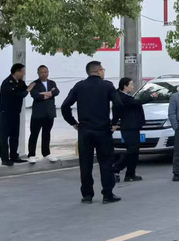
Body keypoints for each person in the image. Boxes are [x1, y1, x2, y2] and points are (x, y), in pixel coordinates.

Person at [61, 61, 122, 204]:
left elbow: (65, 106)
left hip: (85, 131)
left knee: (85, 163)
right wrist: (114, 123)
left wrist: (73, 122)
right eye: (103, 69)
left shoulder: (79, 86)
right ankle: (107, 194)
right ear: (99, 70)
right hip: (103, 130)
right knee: (106, 162)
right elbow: (118, 104)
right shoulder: (107, 86)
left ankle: (87, 195)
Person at [111, 77, 150, 183]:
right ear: (125, 86)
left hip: (134, 126)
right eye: (131, 84)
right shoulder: (121, 97)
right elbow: (136, 103)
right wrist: (114, 123)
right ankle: (116, 168)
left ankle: (130, 173)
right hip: (128, 127)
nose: (133, 86)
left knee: (135, 151)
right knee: (132, 150)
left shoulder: (126, 96)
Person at [0, 63, 35, 165]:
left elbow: (26, 88)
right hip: (6, 113)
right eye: (22, 72)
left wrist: (32, 87)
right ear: (17, 72)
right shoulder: (7, 83)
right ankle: (5, 158)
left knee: (15, 135)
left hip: (15, 113)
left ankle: (14, 156)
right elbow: (18, 95)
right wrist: (28, 90)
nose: (24, 74)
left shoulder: (20, 82)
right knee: (5, 136)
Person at [28, 65, 60, 163]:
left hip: (49, 112)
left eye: (45, 72)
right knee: (34, 134)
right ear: (38, 73)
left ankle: (46, 153)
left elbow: (56, 92)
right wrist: (48, 93)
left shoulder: (52, 83)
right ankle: (31, 154)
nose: (44, 74)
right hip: (38, 113)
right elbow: (35, 95)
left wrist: (44, 93)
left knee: (46, 133)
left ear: (48, 72)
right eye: (41, 72)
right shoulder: (34, 84)